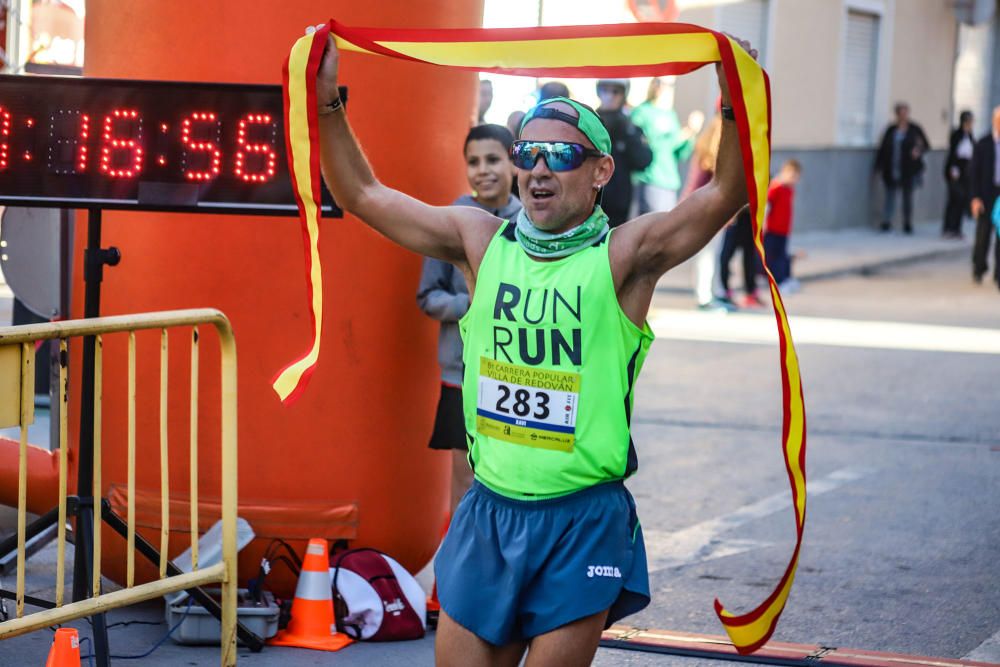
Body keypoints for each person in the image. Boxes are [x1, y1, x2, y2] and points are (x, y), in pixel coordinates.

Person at [310, 27, 755, 665]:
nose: (540, 167)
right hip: (489, 515)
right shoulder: (479, 240)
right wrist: (328, 101)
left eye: (562, 155)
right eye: (529, 151)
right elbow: (362, 195)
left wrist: (733, 99)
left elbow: (724, 194)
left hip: (580, 519)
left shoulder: (624, 255)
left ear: (602, 170)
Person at [417, 124, 522, 513]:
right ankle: (458, 571)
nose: (483, 170)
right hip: (460, 376)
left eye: (493, 159)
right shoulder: (449, 220)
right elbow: (427, 297)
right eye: (473, 162)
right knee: (463, 479)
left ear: (514, 162)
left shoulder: (530, 220)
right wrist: (474, 302)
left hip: (515, 373)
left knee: (510, 475)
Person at [630, 77, 701, 215]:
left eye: (669, 85)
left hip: (669, 181)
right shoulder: (642, 112)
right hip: (651, 179)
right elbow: (642, 146)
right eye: (659, 83)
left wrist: (692, 133)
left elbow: (680, 152)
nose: (663, 88)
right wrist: (681, 136)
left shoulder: (670, 114)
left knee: (666, 229)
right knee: (651, 227)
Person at [683, 113, 729, 310]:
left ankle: (712, 292)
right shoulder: (710, 160)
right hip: (707, 213)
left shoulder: (703, 154)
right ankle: (705, 296)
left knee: (711, 255)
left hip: (707, 212)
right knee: (708, 256)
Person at [595, 78, 653, 227]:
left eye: (615, 91)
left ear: (623, 94)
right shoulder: (589, 123)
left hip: (619, 204)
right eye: (605, 90)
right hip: (592, 199)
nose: (610, 95)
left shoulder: (630, 126)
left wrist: (629, 134)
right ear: (598, 92)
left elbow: (644, 160)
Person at [874, 102, 929, 234]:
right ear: (897, 115)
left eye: (905, 113)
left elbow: (926, 145)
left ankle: (907, 223)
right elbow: (883, 149)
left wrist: (918, 150)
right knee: (890, 196)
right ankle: (886, 221)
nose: (903, 116)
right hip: (892, 167)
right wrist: (878, 167)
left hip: (908, 169)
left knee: (907, 197)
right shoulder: (891, 130)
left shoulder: (914, 129)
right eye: (901, 113)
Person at [970, 105, 1000, 288]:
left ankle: (999, 274)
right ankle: (979, 269)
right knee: (983, 234)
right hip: (986, 194)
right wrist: (975, 197)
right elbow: (973, 173)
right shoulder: (983, 144)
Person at [763, 159, 802, 290]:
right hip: (772, 229)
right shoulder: (776, 187)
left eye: (796, 177)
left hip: (784, 230)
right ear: (784, 172)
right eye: (791, 176)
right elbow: (767, 206)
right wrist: (763, 224)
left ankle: (785, 278)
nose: (793, 180)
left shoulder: (789, 190)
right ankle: (777, 280)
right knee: (773, 257)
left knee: (783, 255)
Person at [718, 206, 761, 307]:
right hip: (735, 219)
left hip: (749, 219)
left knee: (749, 259)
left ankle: (751, 292)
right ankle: (725, 291)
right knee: (725, 257)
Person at [943, 110, 975, 239]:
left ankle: (957, 228)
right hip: (955, 170)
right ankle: (948, 227)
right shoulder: (957, 135)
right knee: (954, 199)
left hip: (966, 171)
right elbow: (953, 154)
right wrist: (953, 169)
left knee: (962, 200)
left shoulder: (970, 136)